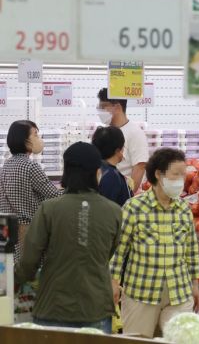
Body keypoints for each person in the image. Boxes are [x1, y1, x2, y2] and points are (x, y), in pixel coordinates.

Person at [15, 142, 122, 333]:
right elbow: (107, 253)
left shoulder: (49, 209)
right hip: (96, 307)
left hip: (53, 306)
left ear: (66, 171)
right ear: (97, 172)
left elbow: (29, 259)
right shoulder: (114, 211)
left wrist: (19, 281)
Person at [109, 148, 199, 338]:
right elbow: (120, 250)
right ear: (159, 174)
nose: (181, 180)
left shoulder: (184, 209)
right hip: (142, 291)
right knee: (137, 340)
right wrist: (114, 282)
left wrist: (195, 284)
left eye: (183, 175)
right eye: (176, 174)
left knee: (180, 340)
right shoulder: (135, 207)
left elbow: (191, 251)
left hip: (179, 292)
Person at [0, 120, 61, 262]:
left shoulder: (5, 166)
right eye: (35, 134)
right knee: (30, 272)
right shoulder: (31, 167)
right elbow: (54, 195)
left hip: (7, 230)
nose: (39, 139)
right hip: (28, 231)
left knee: (11, 274)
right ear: (25, 141)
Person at [97, 88, 148, 192]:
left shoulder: (135, 133)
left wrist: (128, 195)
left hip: (123, 193)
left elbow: (140, 166)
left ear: (117, 107)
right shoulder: (107, 132)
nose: (100, 111)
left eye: (103, 107)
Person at [92, 126, 132, 206]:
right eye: (123, 147)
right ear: (118, 151)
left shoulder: (96, 168)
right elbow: (107, 208)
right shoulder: (111, 175)